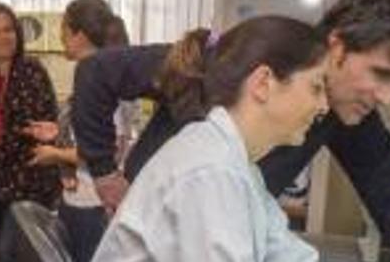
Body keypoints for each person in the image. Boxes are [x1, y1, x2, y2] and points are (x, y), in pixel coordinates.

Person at [73, 0, 390, 261]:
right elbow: (96, 71)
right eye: (381, 74)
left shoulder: (242, 169)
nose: (387, 97)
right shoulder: (212, 167)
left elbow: (388, 190)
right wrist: (105, 174)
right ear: (263, 83)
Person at [92, 16, 327, 261]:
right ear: (263, 83)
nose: (324, 106)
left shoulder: (237, 164)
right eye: (316, 88)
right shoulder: (210, 169)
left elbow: (289, 255)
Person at [22, 0, 131, 262]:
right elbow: (90, 134)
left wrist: (56, 155)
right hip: (78, 201)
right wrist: (56, 132)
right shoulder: (93, 75)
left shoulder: (104, 82)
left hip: (93, 205)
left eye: (64, 29)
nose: (60, 36)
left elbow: (110, 152)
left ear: (80, 35)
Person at [0, 3, 61, 209]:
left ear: (17, 34)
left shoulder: (29, 69)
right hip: (6, 180)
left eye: (8, 30)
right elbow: (1, 118)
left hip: (32, 180)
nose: (4, 37)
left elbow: (31, 130)